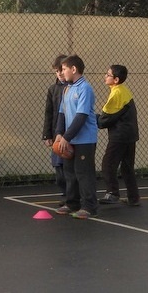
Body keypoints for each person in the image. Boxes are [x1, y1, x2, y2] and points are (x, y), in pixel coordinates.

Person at [53, 55, 98, 219]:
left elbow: (81, 116)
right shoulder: (67, 89)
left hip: (85, 139)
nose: (62, 72)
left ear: (74, 69)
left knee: (84, 173)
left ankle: (89, 206)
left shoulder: (85, 89)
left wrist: (66, 136)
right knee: (69, 172)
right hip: (69, 139)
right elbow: (62, 114)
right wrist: (59, 134)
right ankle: (72, 203)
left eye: (64, 69)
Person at [97, 64, 140, 206]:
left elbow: (106, 118)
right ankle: (134, 198)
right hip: (130, 134)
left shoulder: (116, 93)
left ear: (115, 79)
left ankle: (112, 193)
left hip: (120, 136)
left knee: (108, 164)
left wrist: (93, 118)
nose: (105, 76)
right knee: (127, 167)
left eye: (108, 75)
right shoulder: (124, 90)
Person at [42, 54, 68, 203]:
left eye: (61, 70)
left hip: (68, 133)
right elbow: (48, 112)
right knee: (58, 165)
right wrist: (47, 134)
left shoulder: (73, 88)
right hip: (56, 133)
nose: (59, 74)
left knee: (68, 166)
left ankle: (71, 195)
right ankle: (66, 191)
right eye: (57, 72)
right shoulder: (53, 89)